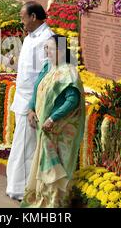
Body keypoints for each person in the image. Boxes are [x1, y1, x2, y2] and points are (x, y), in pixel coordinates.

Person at [21, 35, 85, 208]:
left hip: (59, 130)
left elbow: (73, 100)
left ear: (61, 50)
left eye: (49, 48)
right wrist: (31, 108)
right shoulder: (48, 67)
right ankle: (42, 199)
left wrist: (52, 118)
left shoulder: (68, 73)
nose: (46, 52)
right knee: (45, 165)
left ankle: (54, 204)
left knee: (56, 167)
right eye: (45, 48)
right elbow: (37, 87)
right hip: (45, 128)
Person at [6, 1, 54, 201]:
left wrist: (34, 105)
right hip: (22, 97)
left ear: (34, 17)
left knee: (26, 146)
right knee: (21, 144)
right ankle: (18, 186)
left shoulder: (50, 37)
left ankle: (23, 189)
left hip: (34, 101)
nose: (21, 21)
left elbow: (51, 73)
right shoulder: (30, 37)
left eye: (22, 17)